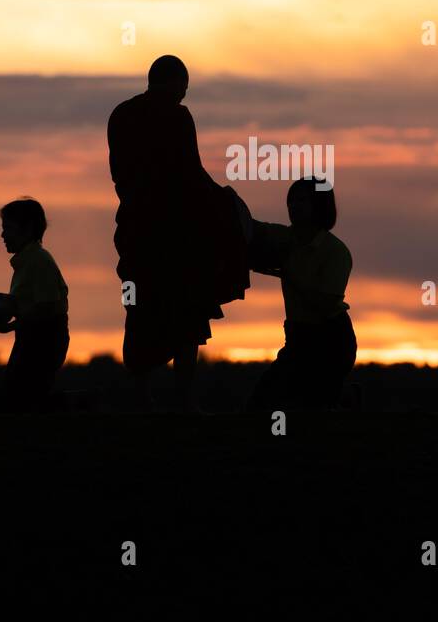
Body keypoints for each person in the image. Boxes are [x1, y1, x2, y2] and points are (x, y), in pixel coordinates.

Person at [107, 55, 249, 410]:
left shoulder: (121, 115)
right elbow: (190, 173)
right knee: (187, 316)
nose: (184, 94)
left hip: (137, 231)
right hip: (178, 235)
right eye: (183, 87)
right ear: (177, 83)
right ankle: (183, 400)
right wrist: (223, 201)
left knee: (140, 313)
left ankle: (142, 397)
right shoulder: (177, 115)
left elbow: (119, 176)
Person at [248, 177, 356, 411]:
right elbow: (253, 229)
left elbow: (325, 304)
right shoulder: (286, 239)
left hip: (330, 341)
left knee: (309, 408)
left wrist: (288, 275)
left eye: (301, 201)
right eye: (291, 201)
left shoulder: (336, 252)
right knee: (264, 403)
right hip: (298, 338)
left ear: (319, 206)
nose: (293, 206)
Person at [0, 197, 69, 412]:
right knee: (24, 400)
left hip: (43, 341)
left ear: (28, 229)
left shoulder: (38, 261)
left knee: (13, 402)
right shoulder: (26, 262)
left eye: (8, 229)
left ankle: (79, 407)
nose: (3, 235)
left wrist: (11, 324)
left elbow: (49, 307)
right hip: (31, 339)